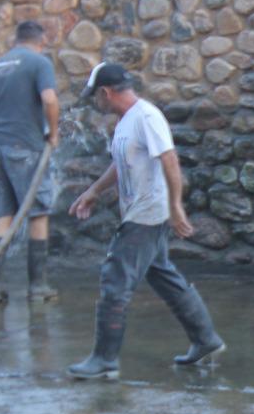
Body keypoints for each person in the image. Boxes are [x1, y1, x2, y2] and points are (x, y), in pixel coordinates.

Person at [66, 62, 225, 380]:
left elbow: (169, 158)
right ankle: (206, 340)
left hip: (147, 213)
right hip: (141, 211)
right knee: (162, 274)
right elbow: (120, 165)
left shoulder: (147, 117)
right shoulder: (126, 122)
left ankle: (104, 360)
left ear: (105, 92)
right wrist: (94, 191)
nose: (96, 104)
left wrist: (175, 207)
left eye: (95, 97)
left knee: (115, 281)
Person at [0, 20, 60, 303]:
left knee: (2, 215)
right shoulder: (39, 62)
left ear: (16, 40)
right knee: (37, 212)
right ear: (42, 41)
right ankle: (37, 287)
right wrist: (53, 132)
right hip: (24, 146)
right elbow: (49, 99)